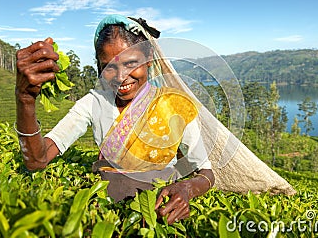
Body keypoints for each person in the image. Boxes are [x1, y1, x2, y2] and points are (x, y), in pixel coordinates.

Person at [15, 14, 215, 224]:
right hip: (106, 216)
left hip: (159, 216)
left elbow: (206, 174)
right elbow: (38, 161)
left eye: (131, 63)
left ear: (149, 61)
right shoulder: (94, 103)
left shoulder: (175, 106)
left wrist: (187, 189)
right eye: (110, 66)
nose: (121, 77)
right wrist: (25, 99)